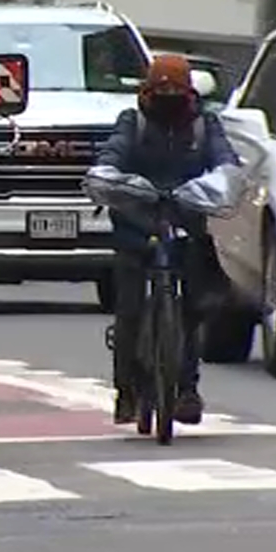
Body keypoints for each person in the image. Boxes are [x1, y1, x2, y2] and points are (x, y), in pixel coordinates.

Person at [88, 54, 239, 426]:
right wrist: (112, 179)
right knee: (129, 312)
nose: (169, 96)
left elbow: (225, 160)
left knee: (192, 312)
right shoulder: (133, 122)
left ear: (190, 92)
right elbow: (113, 154)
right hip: (136, 226)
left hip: (187, 225)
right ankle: (127, 390)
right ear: (147, 91)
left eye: (177, 89)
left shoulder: (205, 125)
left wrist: (222, 181)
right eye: (162, 89)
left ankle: (187, 389)